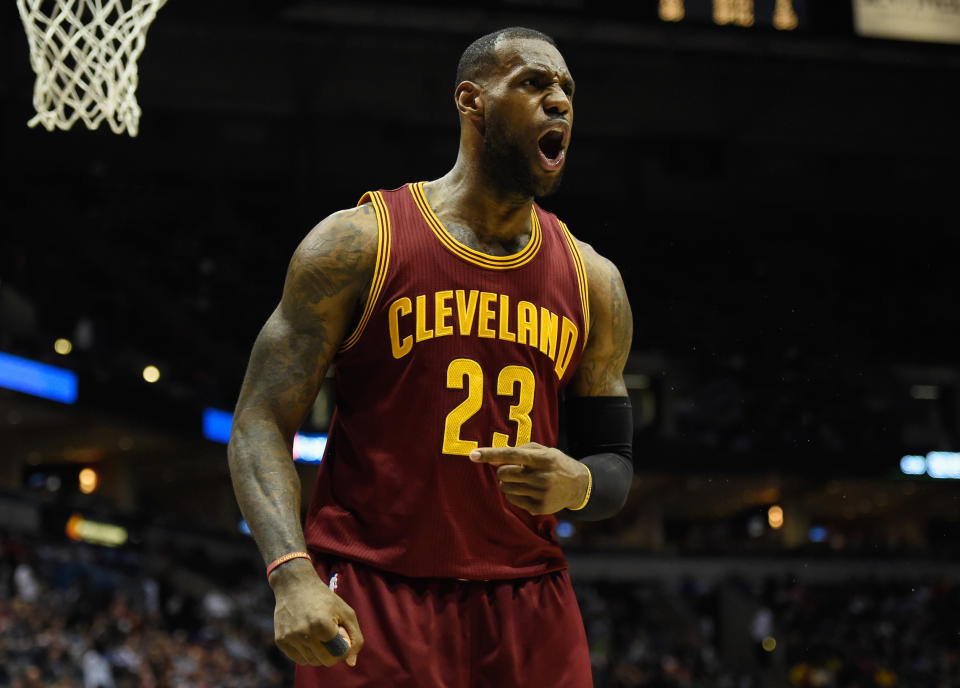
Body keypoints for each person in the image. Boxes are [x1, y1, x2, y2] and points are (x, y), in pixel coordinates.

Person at [227, 26, 634, 687]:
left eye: (567, 89)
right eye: (534, 82)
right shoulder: (358, 244)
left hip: (529, 602)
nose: (560, 100)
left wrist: (577, 484)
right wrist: (291, 574)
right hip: (375, 591)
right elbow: (258, 421)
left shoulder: (595, 281)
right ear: (471, 101)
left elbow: (615, 468)